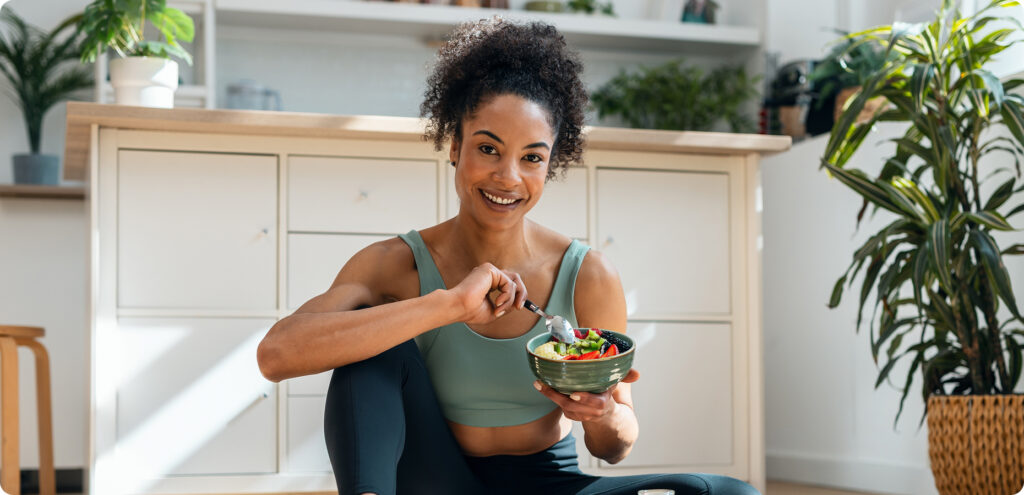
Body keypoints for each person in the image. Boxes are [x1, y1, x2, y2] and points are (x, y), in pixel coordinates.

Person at [256, 17, 760, 495]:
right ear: (454, 145)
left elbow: (615, 449)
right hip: (432, 480)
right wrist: (447, 304)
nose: (508, 177)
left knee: (729, 492)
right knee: (373, 340)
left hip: (550, 483)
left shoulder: (586, 273)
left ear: (551, 162)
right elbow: (275, 355)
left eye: (532, 158)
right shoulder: (395, 263)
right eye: (489, 149)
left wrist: (604, 413)